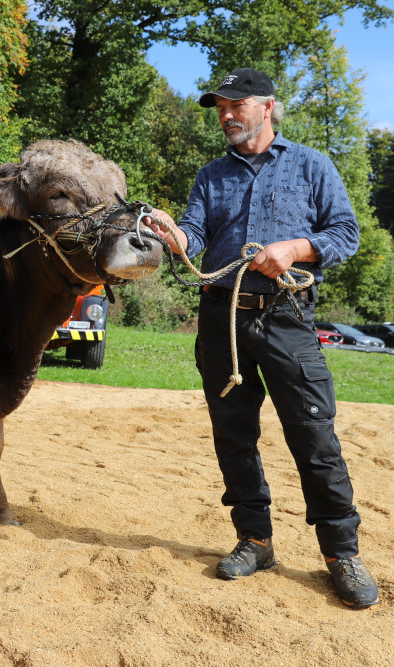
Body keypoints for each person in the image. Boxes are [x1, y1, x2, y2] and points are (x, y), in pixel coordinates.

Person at [145, 68, 379, 608]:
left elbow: (346, 233)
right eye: (219, 107)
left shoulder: (312, 165)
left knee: (315, 437)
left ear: (267, 107)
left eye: (236, 104)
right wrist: (172, 234)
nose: (225, 114)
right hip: (221, 318)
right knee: (233, 434)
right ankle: (255, 540)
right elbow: (194, 235)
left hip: (288, 317)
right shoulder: (210, 175)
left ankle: (341, 552)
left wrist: (296, 249)